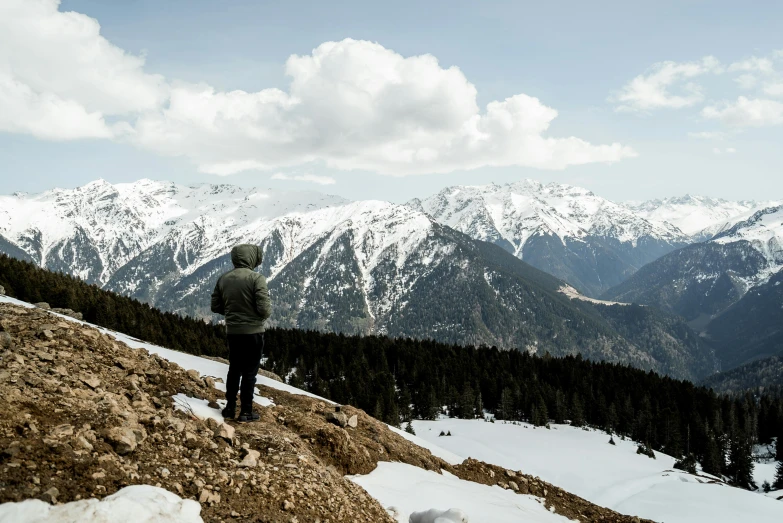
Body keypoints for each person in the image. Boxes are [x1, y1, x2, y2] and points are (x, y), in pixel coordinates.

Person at [210, 244, 272, 422]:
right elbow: (264, 310)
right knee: (249, 373)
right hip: (253, 333)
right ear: (252, 258)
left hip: (233, 332)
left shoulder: (224, 279)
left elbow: (215, 306)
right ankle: (246, 411)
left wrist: (233, 313)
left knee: (234, 369)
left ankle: (229, 408)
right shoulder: (256, 278)